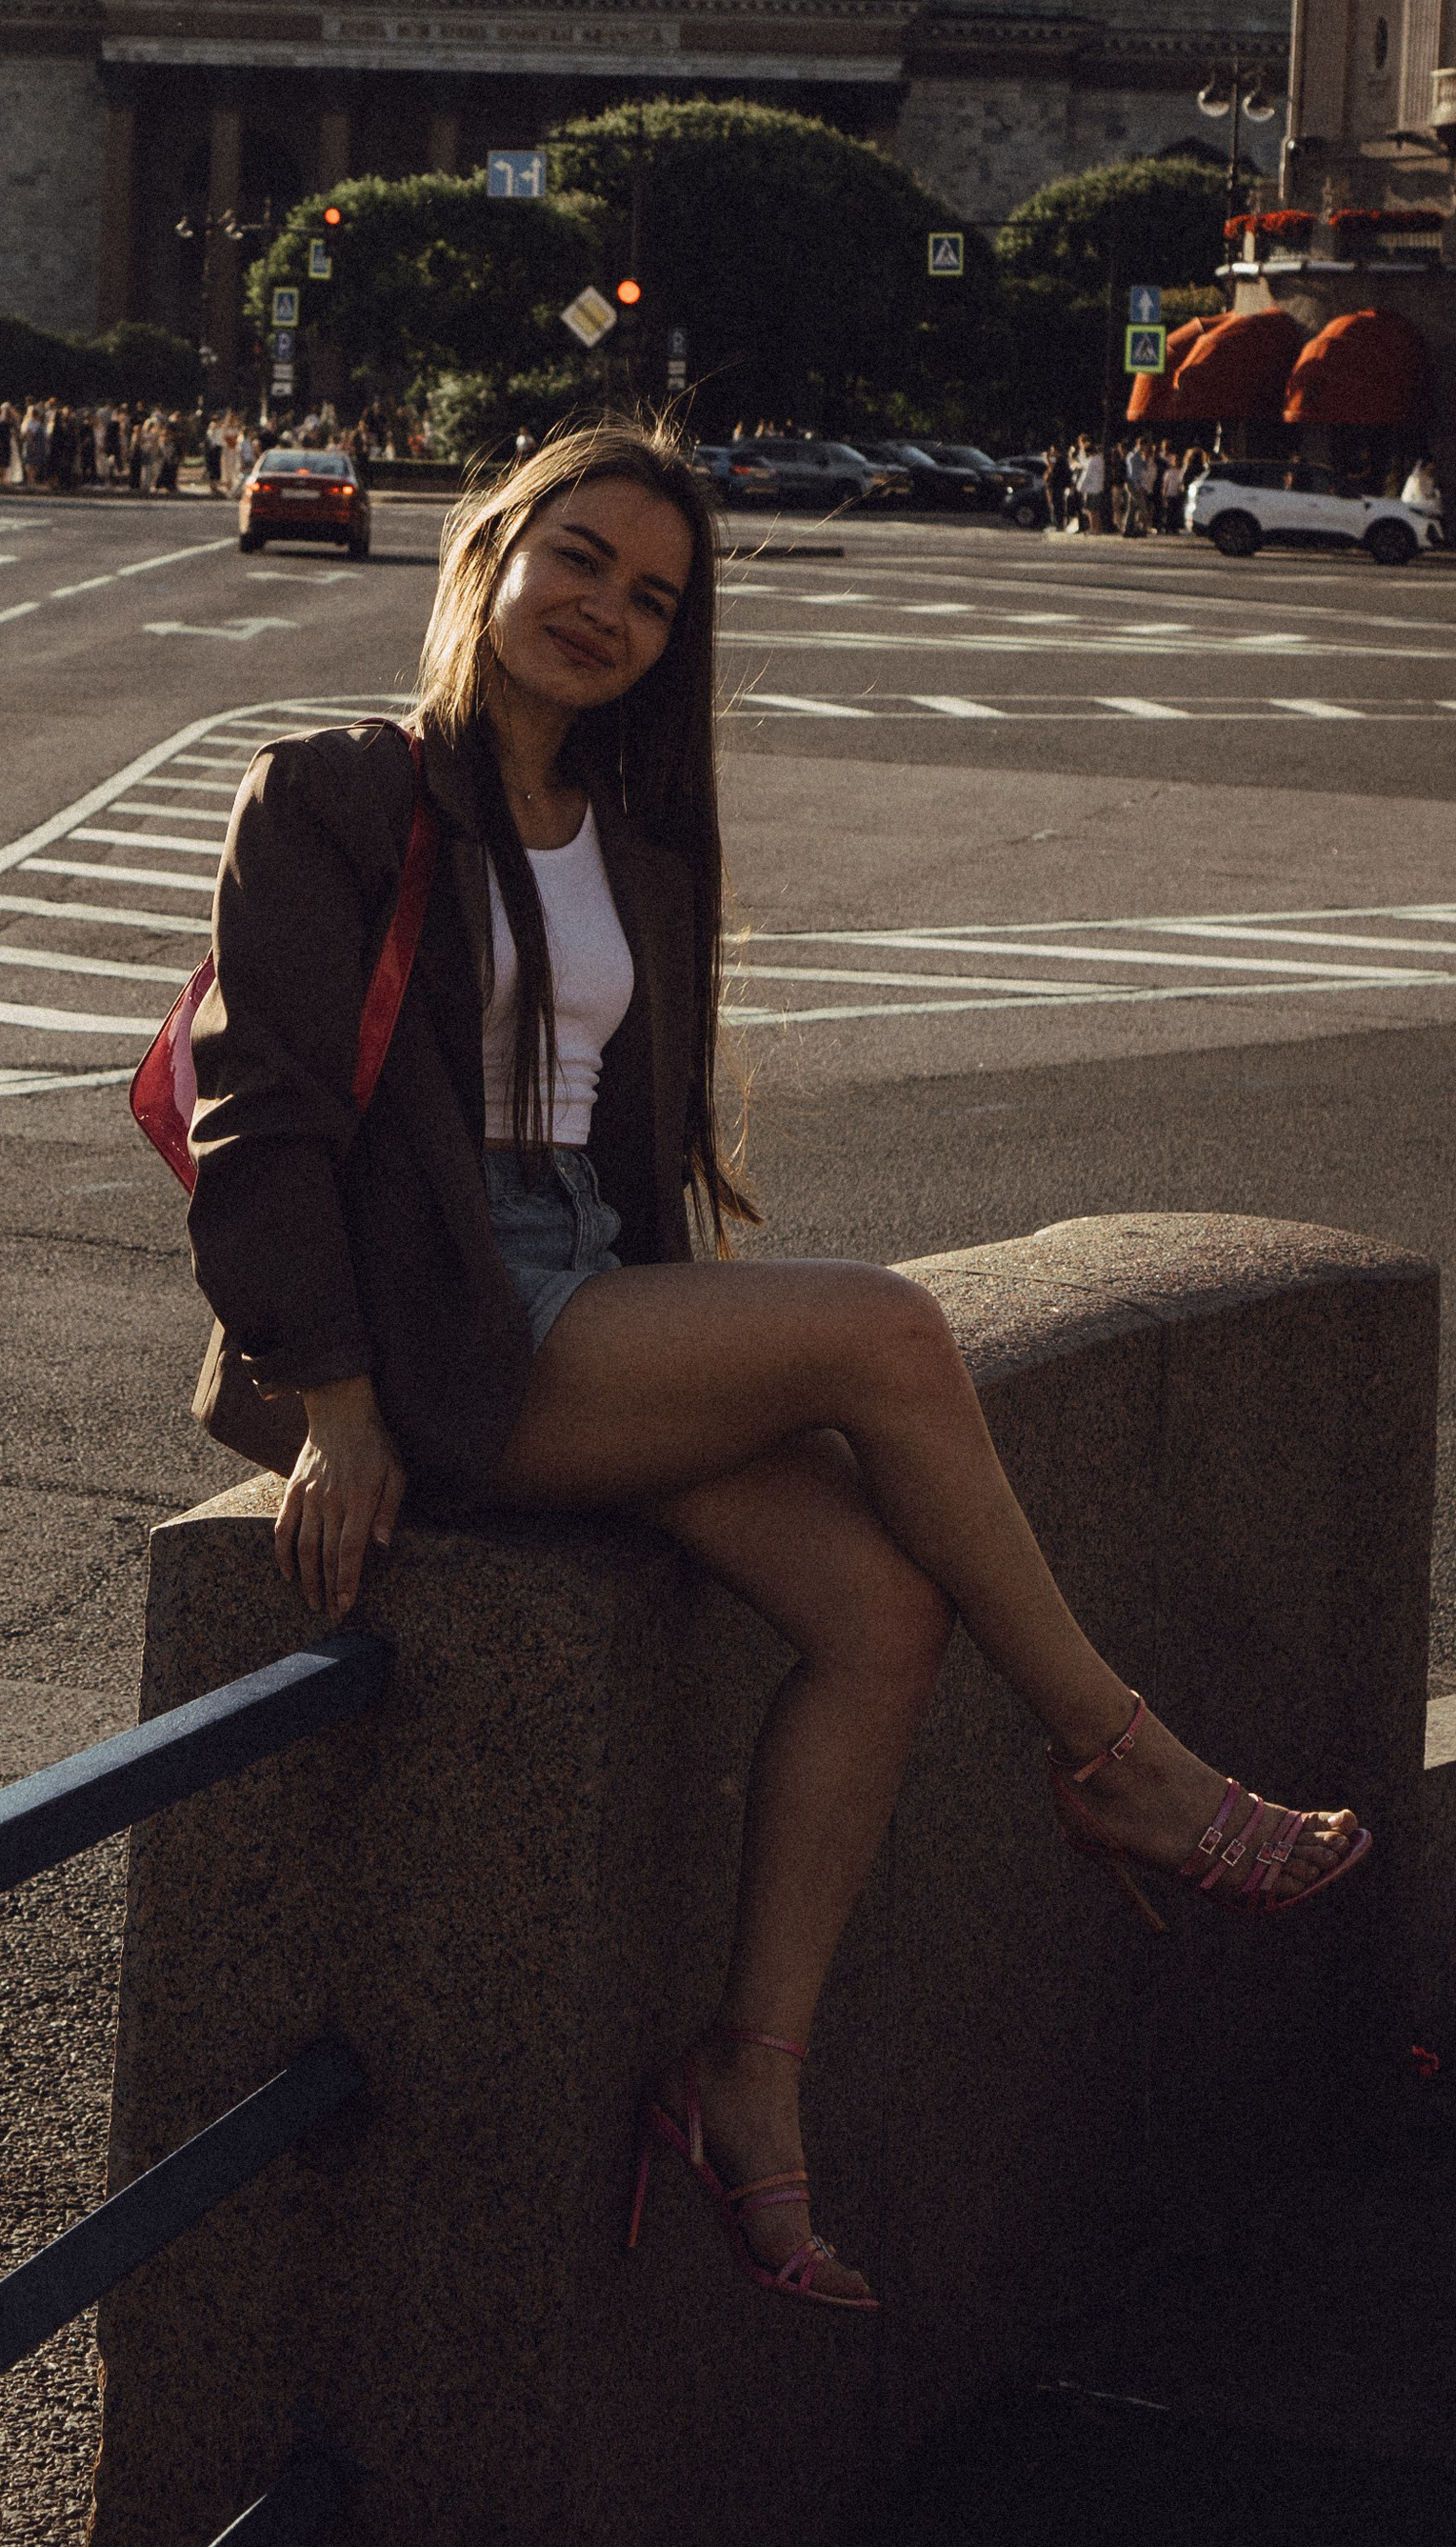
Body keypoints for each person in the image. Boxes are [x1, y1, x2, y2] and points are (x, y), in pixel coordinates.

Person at [184, 418, 1369, 2316]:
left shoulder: (631, 849)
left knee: (878, 1615)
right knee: (882, 1331)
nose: (606, 613)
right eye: (576, 558)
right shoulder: (331, 795)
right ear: (486, 550)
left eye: (651, 598)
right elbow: (263, 1115)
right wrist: (329, 1406)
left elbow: (624, 1170)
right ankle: (1124, 1766)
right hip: (432, 1327)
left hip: (574, 1298)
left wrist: (674, 1329)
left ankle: (745, 2079)